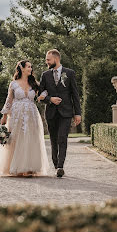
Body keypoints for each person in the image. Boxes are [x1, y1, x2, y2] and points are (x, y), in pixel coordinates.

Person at [0, 60, 49, 177]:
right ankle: (19, 168)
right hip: (16, 115)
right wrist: (4, 115)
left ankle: (29, 167)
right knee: (17, 139)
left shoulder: (34, 83)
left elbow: (45, 92)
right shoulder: (14, 84)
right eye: (28, 67)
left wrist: (42, 96)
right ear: (21, 68)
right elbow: (9, 100)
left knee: (31, 138)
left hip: (31, 114)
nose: (30, 69)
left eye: (31, 67)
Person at [38, 49, 81, 178]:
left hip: (66, 112)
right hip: (51, 113)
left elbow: (75, 94)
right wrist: (50, 99)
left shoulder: (70, 73)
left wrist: (77, 113)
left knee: (62, 138)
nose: (46, 62)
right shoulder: (45, 75)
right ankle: (56, 164)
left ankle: (60, 167)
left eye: (48, 59)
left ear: (56, 59)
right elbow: (40, 95)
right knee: (53, 139)